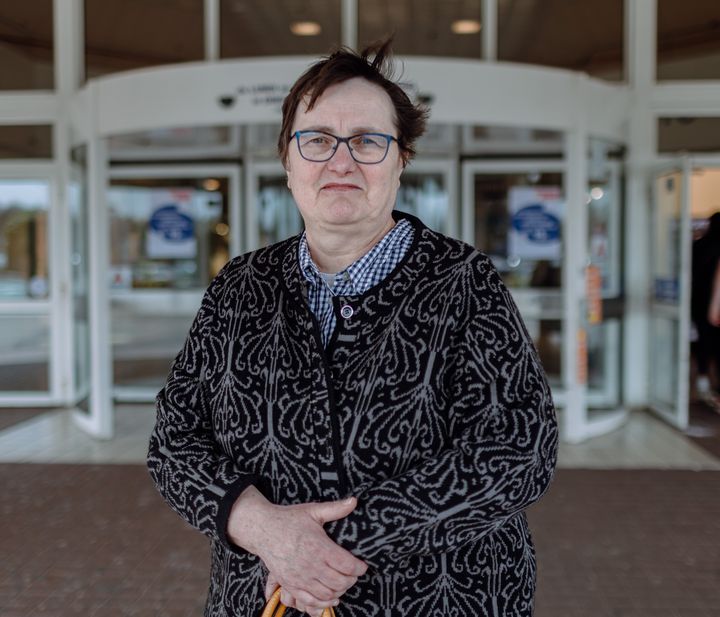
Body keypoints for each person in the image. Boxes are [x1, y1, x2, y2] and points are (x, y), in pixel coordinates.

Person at [147, 39, 558, 617]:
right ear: (288, 162)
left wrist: (325, 550)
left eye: (367, 140)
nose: (341, 162)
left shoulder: (463, 283)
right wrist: (260, 525)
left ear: (402, 159)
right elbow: (173, 441)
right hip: (265, 600)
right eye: (316, 141)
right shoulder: (240, 287)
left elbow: (519, 450)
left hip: (444, 599)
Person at [691, 211, 720, 408]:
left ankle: (703, 381)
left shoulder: (698, 246)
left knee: (703, 342)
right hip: (712, 305)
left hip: (698, 302)